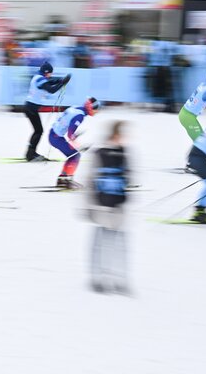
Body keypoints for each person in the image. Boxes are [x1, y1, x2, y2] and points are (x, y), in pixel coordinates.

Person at [82, 120, 132, 294]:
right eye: (123, 134)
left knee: (119, 246)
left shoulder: (124, 154)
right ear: (115, 134)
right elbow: (89, 180)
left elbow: (129, 177)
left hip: (118, 207)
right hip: (101, 207)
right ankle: (97, 278)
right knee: (100, 244)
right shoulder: (100, 153)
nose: (125, 138)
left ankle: (119, 280)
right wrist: (87, 205)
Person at [24, 62, 71, 161]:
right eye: (50, 73)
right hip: (31, 109)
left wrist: (61, 80)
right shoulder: (40, 79)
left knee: (38, 131)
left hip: (30, 108)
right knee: (39, 131)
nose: (51, 75)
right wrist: (62, 83)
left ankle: (30, 153)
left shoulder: (39, 77)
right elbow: (51, 90)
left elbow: (51, 81)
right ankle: (30, 154)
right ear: (46, 72)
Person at [48, 97, 99, 188]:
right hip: (56, 137)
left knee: (73, 155)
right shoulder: (80, 116)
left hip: (54, 134)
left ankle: (63, 179)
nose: (97, 111)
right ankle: (65, 180)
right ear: (90, 108)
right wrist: (80, 146)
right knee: (75, 155)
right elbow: (70, 135)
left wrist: (74, 136)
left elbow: (67, 124)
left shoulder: (76, 108)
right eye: (95, 108)